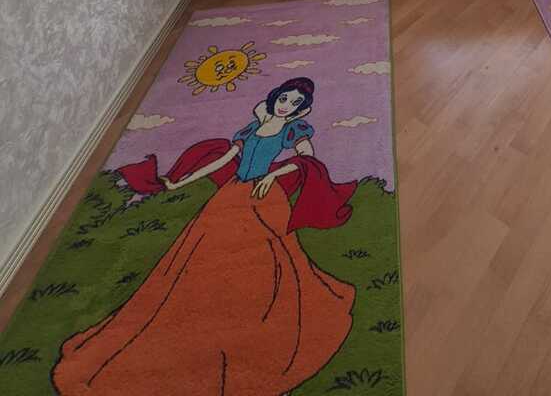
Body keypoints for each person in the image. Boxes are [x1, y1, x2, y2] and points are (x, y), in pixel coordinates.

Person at [52, 78, 356, 395]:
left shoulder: (294, 131)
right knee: (202, 254)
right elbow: (223, 161)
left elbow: (308, 160)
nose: (286, 106)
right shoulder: (250, 130)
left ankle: (261, 315)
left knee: (271, 258)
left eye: (295, 103)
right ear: (274, 97)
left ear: (302, 110)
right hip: (232, 195)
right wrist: (179, 181)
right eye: (284, 98)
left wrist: (274, 174)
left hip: (266, 199)